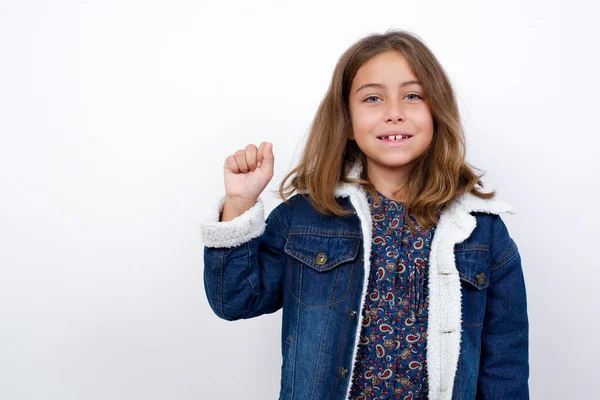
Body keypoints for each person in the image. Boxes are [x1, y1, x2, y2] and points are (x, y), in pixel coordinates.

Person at [200, 29, 529, 400]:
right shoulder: (305, 217)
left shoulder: (481, 232)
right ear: (348, 121)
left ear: (437, 111)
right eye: (373, 98)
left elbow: (505, 363)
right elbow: (234, 301)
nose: (394, 113)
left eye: (413, 96)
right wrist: (240, 203)